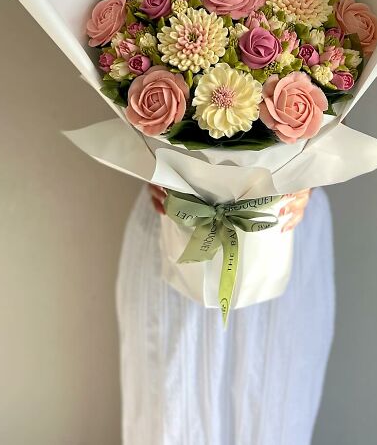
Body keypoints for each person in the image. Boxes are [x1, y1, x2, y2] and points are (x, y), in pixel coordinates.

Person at [116, 184, 335, 444]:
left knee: (273, 414)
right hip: (173, 228)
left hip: (285, 228)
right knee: (172, 413)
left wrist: (308, 180)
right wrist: (152, 169)